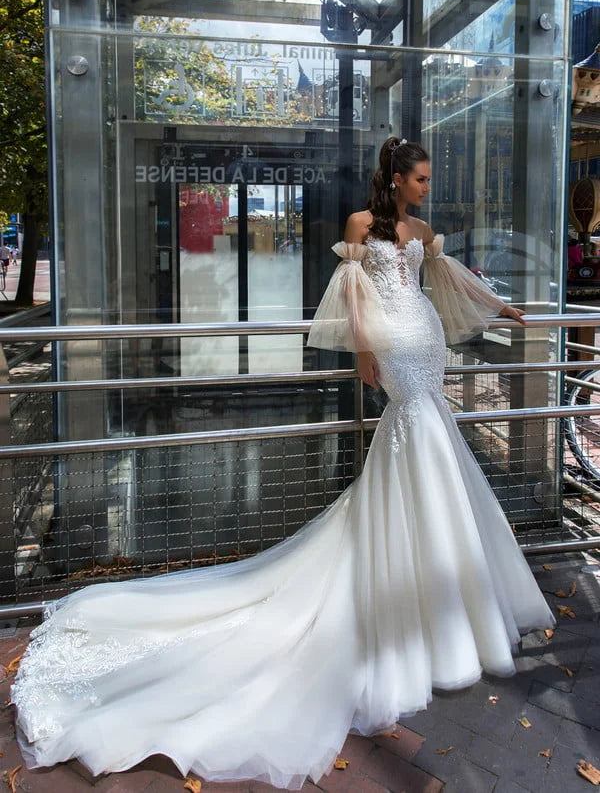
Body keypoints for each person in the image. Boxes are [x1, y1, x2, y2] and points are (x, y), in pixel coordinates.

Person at [11, 138, 555, 790]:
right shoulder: (361, 226)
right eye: (419, 178)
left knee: (430, 442)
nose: (426, 188)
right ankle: (412, 595)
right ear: (395, 178)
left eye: (429, 179)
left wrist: (501, 308)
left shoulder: (424, 231)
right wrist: (362, 350)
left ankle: (436, 596)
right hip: (393, 342)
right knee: (418, 435)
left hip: (425, 335)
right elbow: (355, 295)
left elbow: (450, 279)